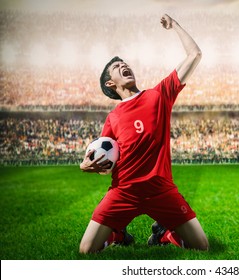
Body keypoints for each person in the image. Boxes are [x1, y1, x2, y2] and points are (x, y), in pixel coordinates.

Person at [79, 14, 208, 253]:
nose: (124, 66)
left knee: (201, 246)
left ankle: (165, 233)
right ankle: (117, 232)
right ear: (111, 84)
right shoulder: (113, 117)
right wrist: (85, 166)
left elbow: (195, 55)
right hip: (123, 191)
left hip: (160, 189)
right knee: (86, 250)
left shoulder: (158, 95)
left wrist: (176, 26)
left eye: (125, 64)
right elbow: (102, 160)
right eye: (117, 67)